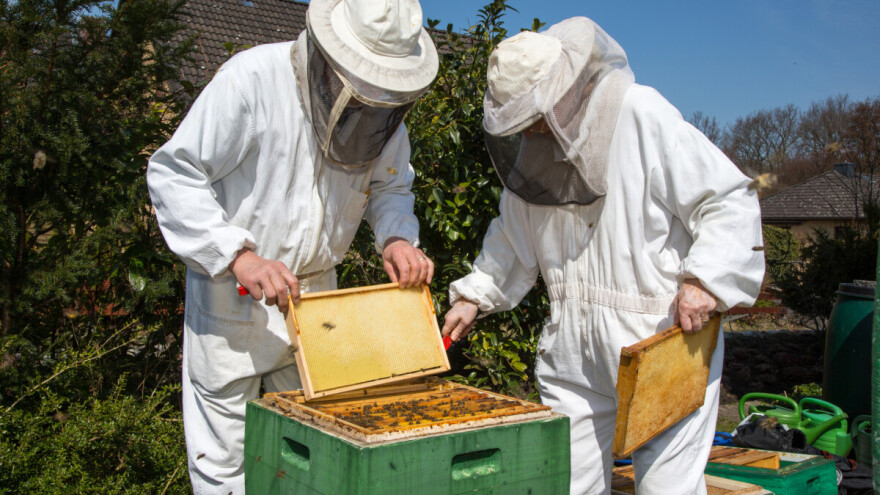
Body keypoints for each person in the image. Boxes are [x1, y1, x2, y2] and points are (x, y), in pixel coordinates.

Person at [441, 17, 765, 495]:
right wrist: (474, 296)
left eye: (532, 117)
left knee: (667, 488)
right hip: (572, 345)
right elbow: (512, 239)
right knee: (567, 484)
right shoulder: (532, 155)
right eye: (517, 123)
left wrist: (705, 281)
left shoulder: (642, 115)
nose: (527, 133)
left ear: (563, 93)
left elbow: (726, 198)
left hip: (662, 339)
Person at [146, 0, 438, 491]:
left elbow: (391, 187)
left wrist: (396, 238)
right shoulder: (251, 80)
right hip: (232, 298)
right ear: (329, 56)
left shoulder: (384, 112)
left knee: (306, 458)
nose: (370, 102)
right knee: (224, 466)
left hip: (315, 305)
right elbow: (175, 174)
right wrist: (238, 255)